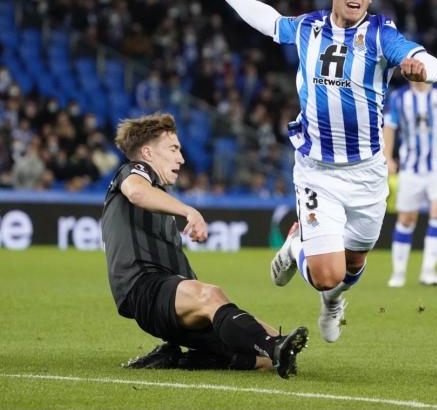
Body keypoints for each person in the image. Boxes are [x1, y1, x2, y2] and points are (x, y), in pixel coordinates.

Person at [196, 0, 437, 342]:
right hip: (317, 170)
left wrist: (421, 67)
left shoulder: (382, 35)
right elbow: (270, 22)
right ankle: (297, 247)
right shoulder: (309, 28)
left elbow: (431, 62)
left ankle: (332, 303)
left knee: (352, 265)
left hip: (367, 173)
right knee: (326, 274)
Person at [101, 113, 308, 378]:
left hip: (169, 299)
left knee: (261, 347)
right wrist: (190, 211)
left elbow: (182, 280)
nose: (181, 158)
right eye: (173, 149)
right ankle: (274, 347)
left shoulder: (161, 203)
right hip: (143, 288)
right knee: (219, 301)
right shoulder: (131, 172)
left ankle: (180, 358)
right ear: (148, 153)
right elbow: (138, 192)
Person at [383, 81, 437, 287]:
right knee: (406, 219)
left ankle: (428, 271)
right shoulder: (399, 97)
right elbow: (389, 127)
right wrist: (388, 157)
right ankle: (399, 272)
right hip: (411, 168)